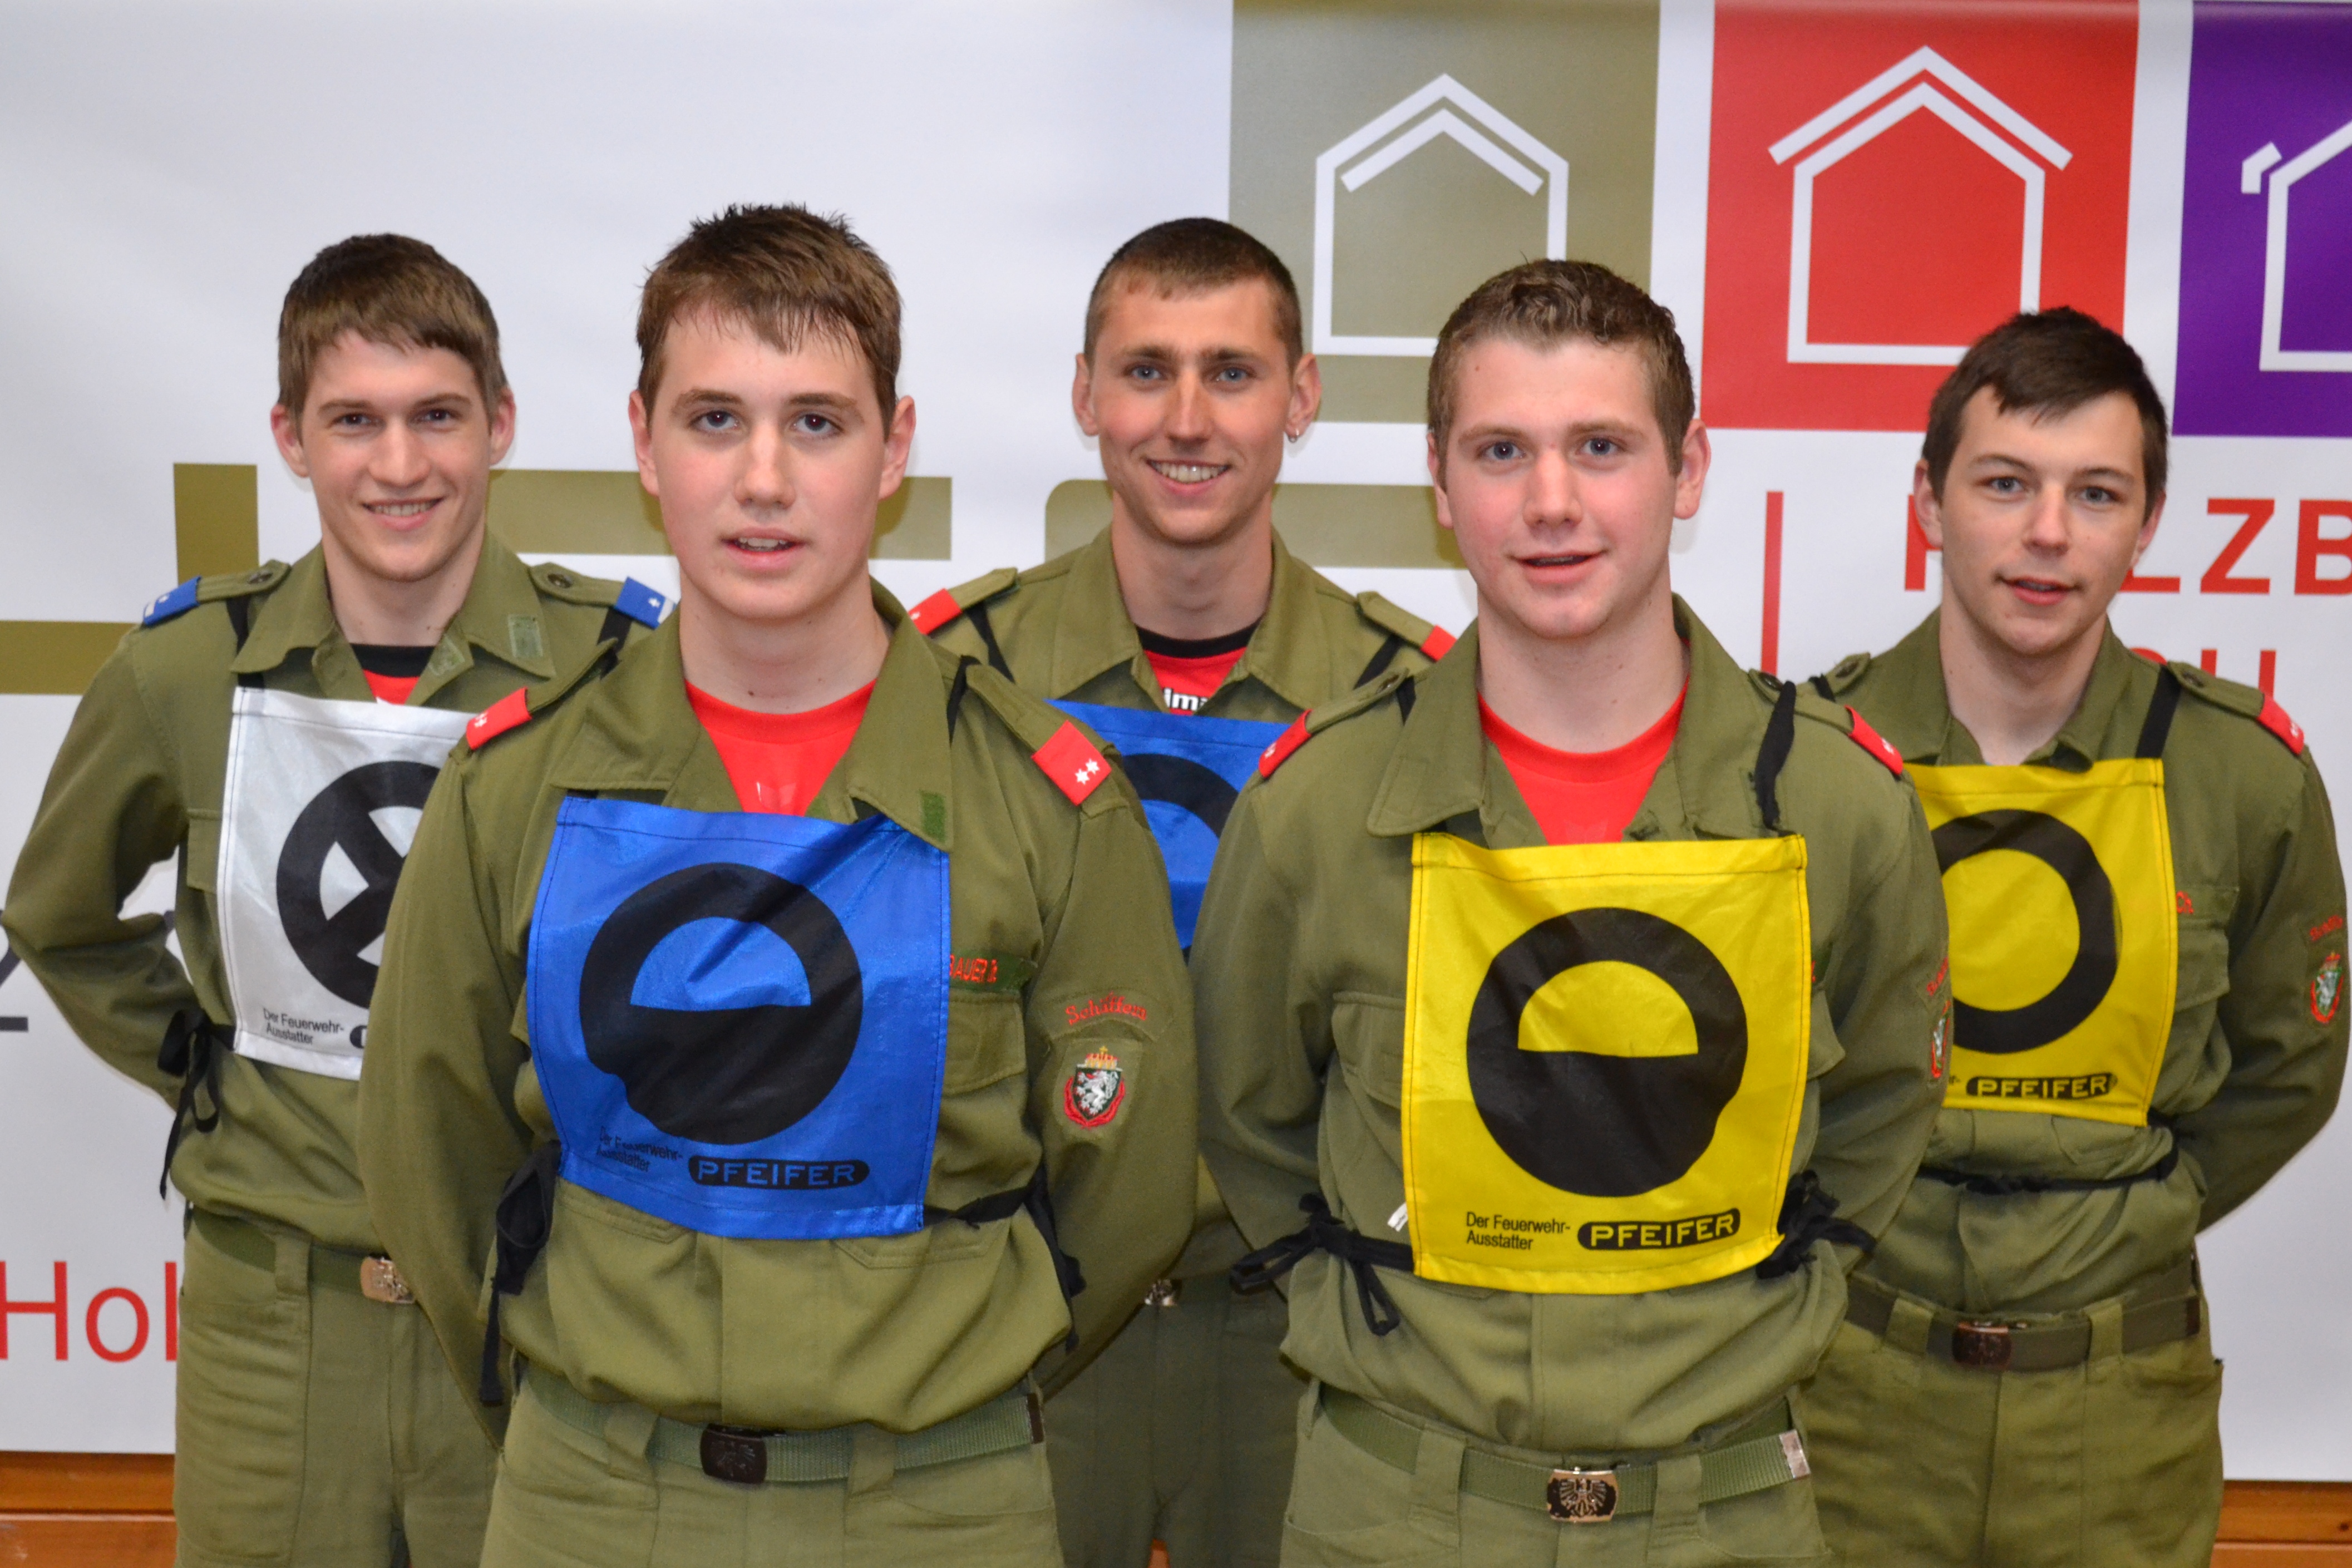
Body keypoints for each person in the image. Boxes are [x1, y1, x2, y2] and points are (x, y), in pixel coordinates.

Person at [358, 204, 1197, 1568]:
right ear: (644, 443)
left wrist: (954, 1390)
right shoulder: (513, 785)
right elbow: (426, 1148)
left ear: (894, 448)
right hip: (591, 1499)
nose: (763, 479)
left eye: (816, 422)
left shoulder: (1044, 800)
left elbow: (1127, 1187)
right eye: (714, 420)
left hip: (940, 1507)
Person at [1192, 259, 1952, 1565]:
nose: (1550, 502)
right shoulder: (1314, 807)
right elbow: (1252, 1129)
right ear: (1441, 488)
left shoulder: (1838, 807)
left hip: (1722, 1517)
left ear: (1687, 469)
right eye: (1500, 451)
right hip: (1395, 1512)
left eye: (1600, 446)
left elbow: (1881, 1113)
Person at [1, 234, 655, 1567]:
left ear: (501, 424)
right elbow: (60, 915)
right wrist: (209, 1066)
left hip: (531, 1301)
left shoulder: (618, 673)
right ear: (290, 436)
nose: (398, 463)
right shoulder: (188, 669)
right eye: (354, 420)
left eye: (436, 416)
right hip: (272, 1328)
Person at [920, 215, 1448, 1568]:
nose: (1187, 418)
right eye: (1145, 370)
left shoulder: (1411, 697)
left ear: (1301, 396)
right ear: (1084, 394)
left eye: (1232, 372)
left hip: (1296, 1341)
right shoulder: (952, 675)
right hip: (1025, 1331)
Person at [1802, 308, 2348, 1566]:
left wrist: (2130, 1211)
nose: (2047, 532)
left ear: (2145, 523)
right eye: (2005, 483)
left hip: (2119, 1419)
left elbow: (2287, 1069)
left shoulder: (2240, 777)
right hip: (1847, 1396)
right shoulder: (1811, 765)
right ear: (1929, 501)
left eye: (2095, 492)